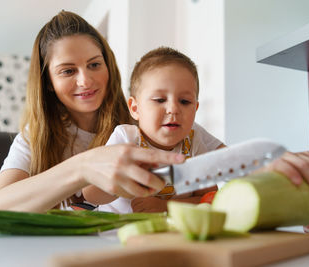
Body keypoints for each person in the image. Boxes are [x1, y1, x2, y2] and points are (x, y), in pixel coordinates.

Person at [0, 10, 309, 213]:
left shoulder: (153, 123)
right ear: (46, 82)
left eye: (94, 64)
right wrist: (82, 168)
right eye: (67, 71)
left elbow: (224, 159)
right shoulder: (36, 137)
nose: (85, 80)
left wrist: (268, 160)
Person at [83, 47, 225, 213]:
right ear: (135, 108)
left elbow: (209, 198)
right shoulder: (126, 139)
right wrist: (120, 182)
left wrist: (165, 207)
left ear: (196, 108)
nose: (173, 109)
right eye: (159, 100)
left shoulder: (194, 142)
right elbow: (90, 195)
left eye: (185, 101)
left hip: (169, 233)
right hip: (115, 229)